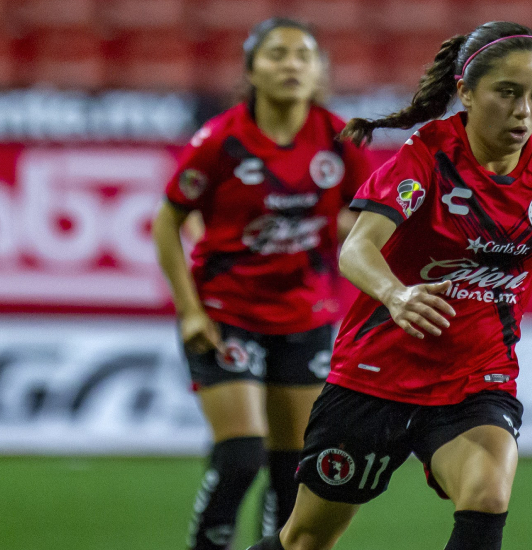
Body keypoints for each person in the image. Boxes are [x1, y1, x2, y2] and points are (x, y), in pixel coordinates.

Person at [246, 20, 532, 550]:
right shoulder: (428, 157)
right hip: (375, 377)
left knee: (487, 494)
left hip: (476, 381)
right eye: (507, 92)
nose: (524, 110)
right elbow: (357, 248)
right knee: (305, 539)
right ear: (465, 91)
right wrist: (396, 294)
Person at [152, 18, 372, 550]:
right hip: (228, 314)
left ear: (320, 70)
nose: (291, 64)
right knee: (240, 456)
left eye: (303, 54)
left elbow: (366, 218)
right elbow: (167, 221)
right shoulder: (221, 140)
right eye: (277, 54)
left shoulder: (340, 139)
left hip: (307, 317)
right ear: (251, 70)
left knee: (290, 469)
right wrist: (190, 312)